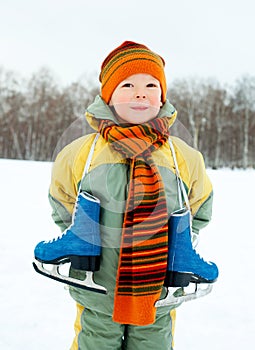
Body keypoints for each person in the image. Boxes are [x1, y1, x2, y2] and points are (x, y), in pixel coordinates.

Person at [34, 41, 218, 349]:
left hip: (158, 287)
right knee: (94, 342)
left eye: (150, 85)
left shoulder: (181, 155)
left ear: (161, 97)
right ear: (108, 96)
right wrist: (80, 236)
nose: (140, 92)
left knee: (153, 344)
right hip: (98, 288)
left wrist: (181, 244)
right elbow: (62, 196)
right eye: (128, 84)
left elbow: (199, 202)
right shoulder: (82, 152)